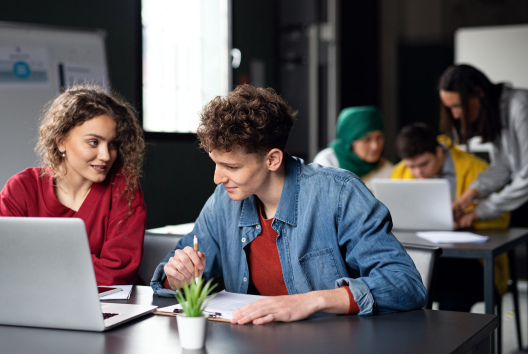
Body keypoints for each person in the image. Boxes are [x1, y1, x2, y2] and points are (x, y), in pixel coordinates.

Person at [151, 84, 426, 325]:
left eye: (231, 166)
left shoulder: (339, 194)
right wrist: (177, 278)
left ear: (272, 160)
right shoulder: (223, 202)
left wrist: (311, 301)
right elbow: (174, 276)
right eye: (215, 164)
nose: (217, 178)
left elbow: (405, 284)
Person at [0, 84, 146, 286]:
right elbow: (1, 262)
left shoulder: (123, 188)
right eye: (94, 142)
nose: (106, 155)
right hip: (33, 305)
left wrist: (36, 260)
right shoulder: (20, 188)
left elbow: (115, 274)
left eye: (113, 144)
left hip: (112, 308)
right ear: (61, 141)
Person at [391, 122, 510, 311]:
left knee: (455, 293)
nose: (418, 172)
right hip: (428, 257)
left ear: (439, 152)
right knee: (400, 285)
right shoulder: (400, 172)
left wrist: (471, 218)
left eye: (423, 164)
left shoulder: (476, 169)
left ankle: (451, 339)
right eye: (411, 166)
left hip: (471, 261)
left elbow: (502, 218)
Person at [439, 64, 528, 228]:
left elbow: (526, 178)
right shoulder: (499, 111)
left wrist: (480, 212)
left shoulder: (521, 107)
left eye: (457, 106)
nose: (455, 115)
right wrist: (472, 193)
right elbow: (504, 167)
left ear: (479, 93)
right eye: (449, 108)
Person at [313, 106, 393, 192]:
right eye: (367, 140)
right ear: (350, 141)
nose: (375, 146)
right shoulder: (327, 162)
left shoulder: (387, 168)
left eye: (379, 138)